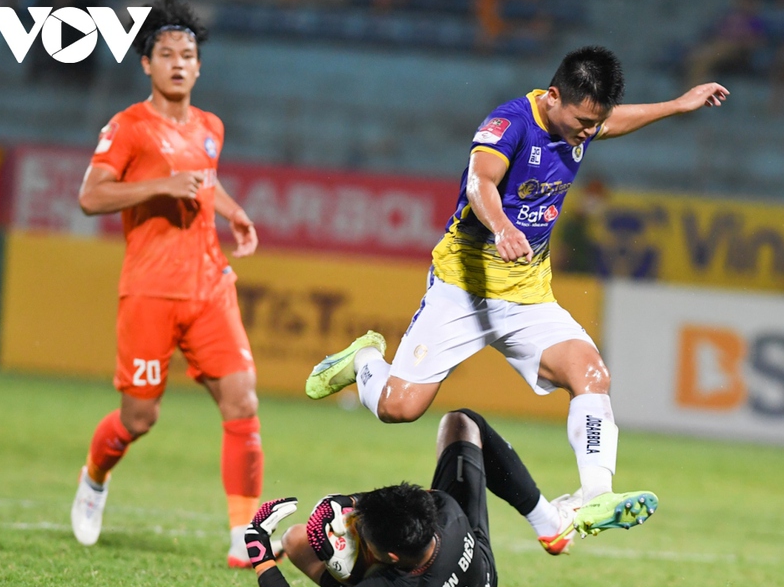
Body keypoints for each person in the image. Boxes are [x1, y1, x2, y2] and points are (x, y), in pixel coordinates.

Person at [304, 46, 723, 552]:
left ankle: (595, 495)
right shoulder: (510, 123)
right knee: (398, 408)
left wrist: (679, 104)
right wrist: (501, 225)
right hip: (463, 290)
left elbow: (612, 121)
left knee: (591, 374)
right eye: (582, 121)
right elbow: (480, 180)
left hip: (527, 297)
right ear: (553, 98)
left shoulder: (581, 126)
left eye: (596, 124)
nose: (589, 133)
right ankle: (365, 359)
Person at [69, 0, 266, 568]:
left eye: (188, 53)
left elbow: (202, 181)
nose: (179, 62)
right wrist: (159, 186)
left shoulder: (211, 127)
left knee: (242, 402)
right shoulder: (128, 127)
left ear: (199, 65)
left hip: (209, 286)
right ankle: (95, 478)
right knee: (139, 418)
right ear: (146, 64)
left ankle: (241, 535)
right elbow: (90, 197)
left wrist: (231, 210)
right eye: (166, 53)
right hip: (150, 290)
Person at [244, 409, 658, 587]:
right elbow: (404, 498)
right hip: (475, 560)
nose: (355, 528)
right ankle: (546, 521)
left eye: (362, 538)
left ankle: (550, 523)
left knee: (300, 541)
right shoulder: (443, 510)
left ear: (388, 558)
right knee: (462, 421)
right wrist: (344, 503)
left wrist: (260, 546)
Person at [685, 0, 768, 87]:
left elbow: (759, 41)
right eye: (743, 0)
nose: (744, 4)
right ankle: (694, 86)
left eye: (748, 1)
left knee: (707, 56)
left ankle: (694, 89)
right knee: (698, 57)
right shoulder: (730, 17)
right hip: (719, 48)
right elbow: (716, 33)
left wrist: (742, 41)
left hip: (739, 53)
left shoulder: (755, 21)